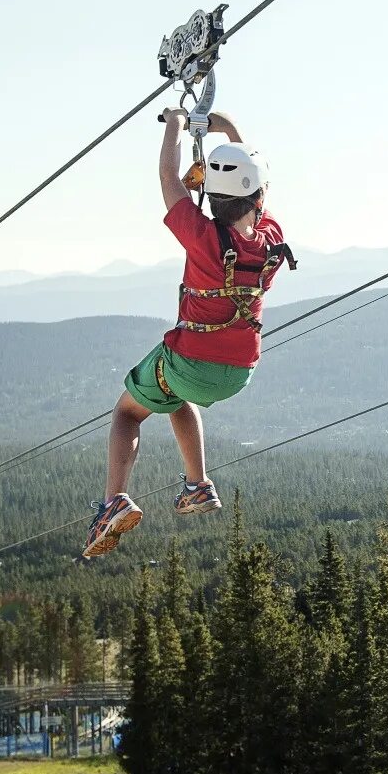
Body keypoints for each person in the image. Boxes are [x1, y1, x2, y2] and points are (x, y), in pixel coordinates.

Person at [82, 106, 294, 558]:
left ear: (214, 197)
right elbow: (252, 178)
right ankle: (198, 483)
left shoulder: (202, 237)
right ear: (258, 197)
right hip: (239, 370)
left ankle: (112, 501)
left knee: (127, 412)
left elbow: (169, 181)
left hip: (190, 361)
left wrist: (176, 127)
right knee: (174, 395)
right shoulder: (272, 238)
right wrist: (227, 126)